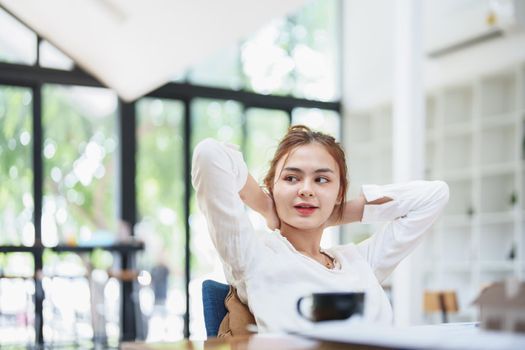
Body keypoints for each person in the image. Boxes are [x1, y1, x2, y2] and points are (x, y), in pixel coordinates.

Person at [191, 125, 449, 335]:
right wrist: (266, 207)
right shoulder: (253, 256)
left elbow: (434, 196)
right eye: (291, 178)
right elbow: (209, 155)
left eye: (321, 180)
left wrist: (334, 214)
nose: (306, 189)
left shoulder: (360, 262)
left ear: (340, 192)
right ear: (272, 186)